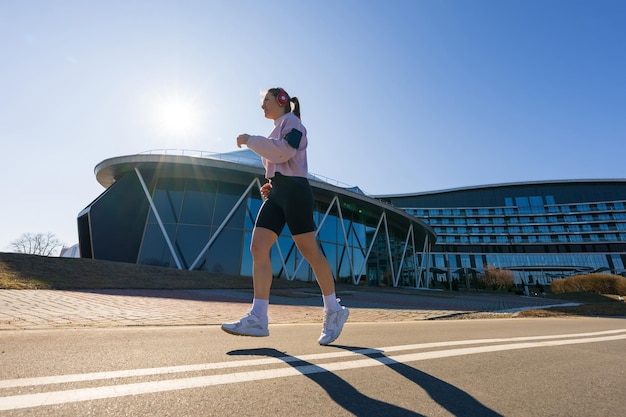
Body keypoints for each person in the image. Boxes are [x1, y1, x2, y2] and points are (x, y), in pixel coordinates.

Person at [221, 87, 349, 345]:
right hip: (278, 193)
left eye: (266, 100)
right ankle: (258, 317)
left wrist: (249, 139)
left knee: (310, 252)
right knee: (258, 247)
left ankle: (334, 310)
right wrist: (272, 181)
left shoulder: (293, 123)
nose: (262, 106)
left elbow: (285, 151)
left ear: (281, 101)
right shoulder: (276, 128)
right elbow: (277, 158)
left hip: (297, 193)